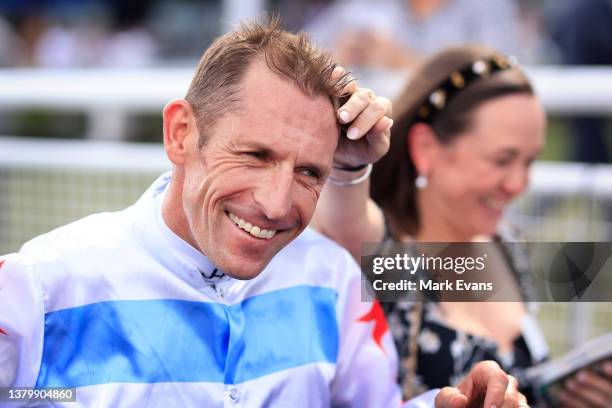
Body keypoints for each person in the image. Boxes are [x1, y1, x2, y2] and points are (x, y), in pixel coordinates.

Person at [0, 18, 527, 407]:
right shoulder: (43, 285)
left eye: (309, 172)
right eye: (255, 155)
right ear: (181, 133)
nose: (276, 204)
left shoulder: (338, 275)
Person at [314, 44, 612, 407]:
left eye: (529, 161)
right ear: (427, 148)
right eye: (502, 160)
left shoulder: (504, 244)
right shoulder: (389, 256)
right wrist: (349, 161)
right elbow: (346, 214)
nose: (519, 184)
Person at [303, 0, 522, 69]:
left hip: (452, 135)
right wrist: (333, 56)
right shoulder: (366, 4)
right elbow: (299, 49)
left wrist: (405, 62)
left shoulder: (487, 7)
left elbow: (499, 73)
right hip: (370, 135)